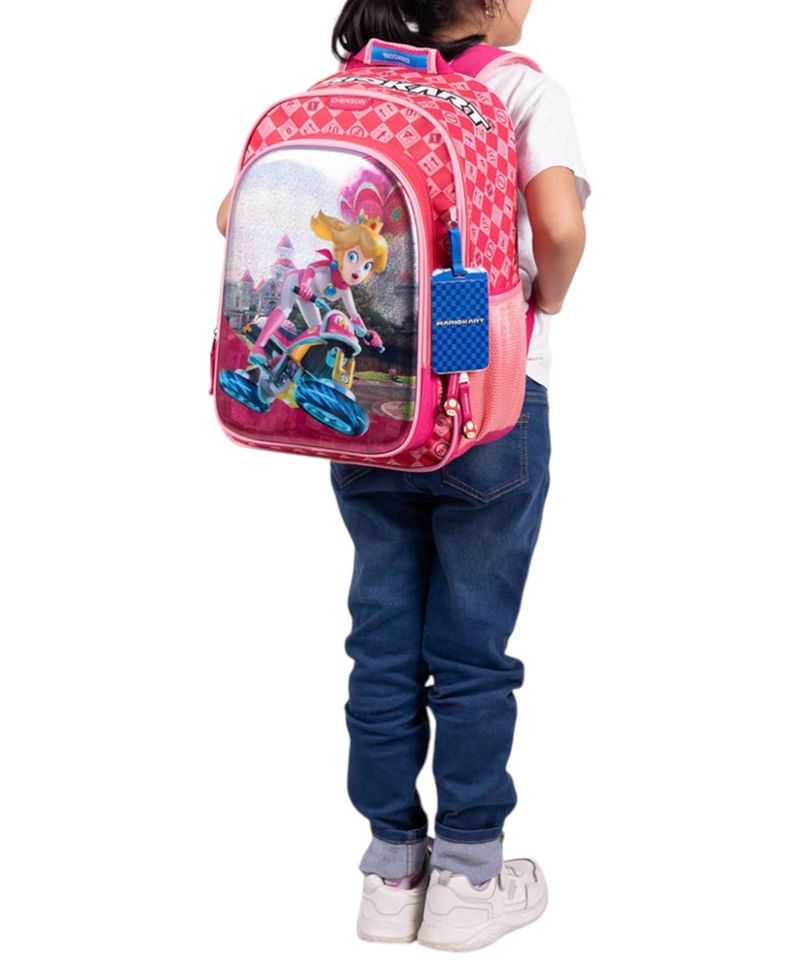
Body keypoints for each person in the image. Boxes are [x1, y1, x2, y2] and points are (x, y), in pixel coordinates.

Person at [216, 0, 590, 950]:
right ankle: (469, 875)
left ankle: (391, 872)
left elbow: (231, 216)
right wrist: (544, 299)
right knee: (472, 651)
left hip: (378, 420)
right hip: (491, 404)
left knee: (382, 642)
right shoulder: (522, 92)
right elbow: (559, 227)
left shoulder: (343, 93)